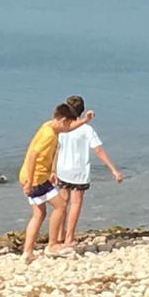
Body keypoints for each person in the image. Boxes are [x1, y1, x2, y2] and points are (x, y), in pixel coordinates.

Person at [19, 102, 94, 262]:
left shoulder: (49, 125)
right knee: (60, 205)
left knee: (38, 214)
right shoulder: (48, 135)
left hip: (30, 176)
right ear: (63, 120)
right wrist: (30, 183)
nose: (67, 128)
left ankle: (27, 251)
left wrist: (85, 120)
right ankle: (52, 245)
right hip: (36, 178)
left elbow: (69, 127)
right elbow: (32, 155)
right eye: (67, 123)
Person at [53, 95, 123, 247]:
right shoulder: (86, 129)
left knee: (62, 202)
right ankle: (69, 237)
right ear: (82, 110)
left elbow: (56, 149)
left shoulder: (62, 128)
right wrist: (114, 170)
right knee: (75, 203)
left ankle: (59, 234)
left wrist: (52, 169)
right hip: (78, 171)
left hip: (62, 169)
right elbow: (99, 150)